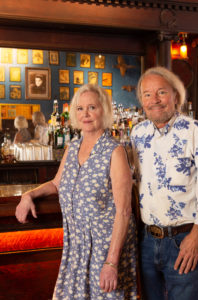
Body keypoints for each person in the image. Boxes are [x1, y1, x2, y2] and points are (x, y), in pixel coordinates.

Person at [15, 84, 137, 299]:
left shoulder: (114, 151)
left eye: (92, 107)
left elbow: (124, 212)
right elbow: (57, 183)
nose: (86, 114)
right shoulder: (72, 147)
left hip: (104, 250)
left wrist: (111, 262)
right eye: (80, 109)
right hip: (76, 248)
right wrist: (29, 195)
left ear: (104, 111)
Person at [130, 66, 198, 300]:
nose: (154, 100)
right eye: (147, 94)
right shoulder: (137, 134)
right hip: (147, 241)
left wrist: (197, 237)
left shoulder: (196, 132)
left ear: (176, 96)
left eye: (161, 92)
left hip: (184, 240)